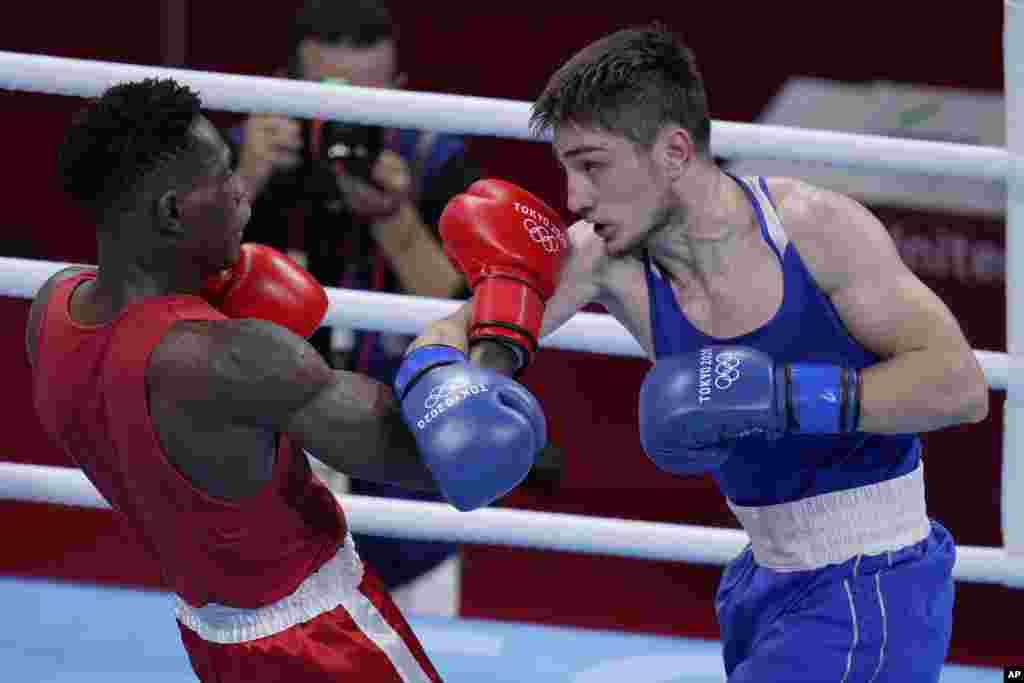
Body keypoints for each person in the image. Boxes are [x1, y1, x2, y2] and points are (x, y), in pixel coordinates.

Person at [432, 24, 990, 682]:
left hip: (874, 580)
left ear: (673, 151)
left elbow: (959, 385)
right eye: (567, 169)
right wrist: (457, 387)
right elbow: (455, 333)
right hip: (764, 578)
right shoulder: (603, 257)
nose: (574, 196)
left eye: (593, 165)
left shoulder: (812, 229)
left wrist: (780, 398)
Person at [28, 77, 545, 682]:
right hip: (328, 641)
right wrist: (494, 318)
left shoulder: (52, 310)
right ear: (171, 211)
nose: (242, 190)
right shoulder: (230, 360)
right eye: (224, 174)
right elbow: (449, 458)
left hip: (210, 635)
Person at [231, 0, 549, 613]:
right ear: (285, 87)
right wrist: (244, 183)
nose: (349, 117)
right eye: (328, 94)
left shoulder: (435, 162)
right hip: (270, 495)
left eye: (369, 98)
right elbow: (178, 305)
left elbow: (481, 323)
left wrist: (395, 221)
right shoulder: (240, 159)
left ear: (399, 92)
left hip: (408, 508)